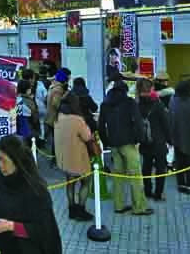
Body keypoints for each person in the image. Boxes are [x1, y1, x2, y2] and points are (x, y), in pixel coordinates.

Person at [0, 135, 62, 254]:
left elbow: (44, 230)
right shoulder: (1, 180)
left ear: (16, 160)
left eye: (3, 159)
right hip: (7, 247)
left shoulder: (36, 190)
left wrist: (12, 226)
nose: (0, 165)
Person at [98, 75, 153, 216]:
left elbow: (101, 126)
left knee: (118, 176)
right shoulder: (129, 102)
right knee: (135, 175)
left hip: (114, 144)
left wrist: (106, 142)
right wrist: (138, 139)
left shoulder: (105, 104)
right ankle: (139, 207)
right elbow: (138, 123)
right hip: (129, 143)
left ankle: (119, 205)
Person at [54, 93, 93, 221]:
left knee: (70, 183)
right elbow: (87, 137)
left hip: (64, 158)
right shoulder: (77, 120)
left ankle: (72, 209)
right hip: (78, 157)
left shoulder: (58, 117)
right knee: (87, 182)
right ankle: (81, 210)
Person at [138, 85, 171, 201]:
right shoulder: (158, 104)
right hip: (159, 142)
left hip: (145, 141)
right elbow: (165, 124)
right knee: (160, 168)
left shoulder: (138, 104)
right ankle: (158, 193)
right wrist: (170, 140)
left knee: (146, 166)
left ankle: (147, 190)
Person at [169, 81, 190, 194]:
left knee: (179, 162)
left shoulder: (173, 101)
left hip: (176, 136)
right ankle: (189, 185)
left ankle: (181, 184)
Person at [16, 80, 40, 146]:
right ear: (28, 90)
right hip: (28, 132)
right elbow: (35, 119)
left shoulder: (14, 99)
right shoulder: (29, 102)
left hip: (16, 132)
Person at [35, 67, 49, 144]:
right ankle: (42, 137)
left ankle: (38, 138)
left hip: (34, 107)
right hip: (42, 107)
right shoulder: (42, 86)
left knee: (37, 123)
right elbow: (46, 97)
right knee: (42, 123)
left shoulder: (33, 86)